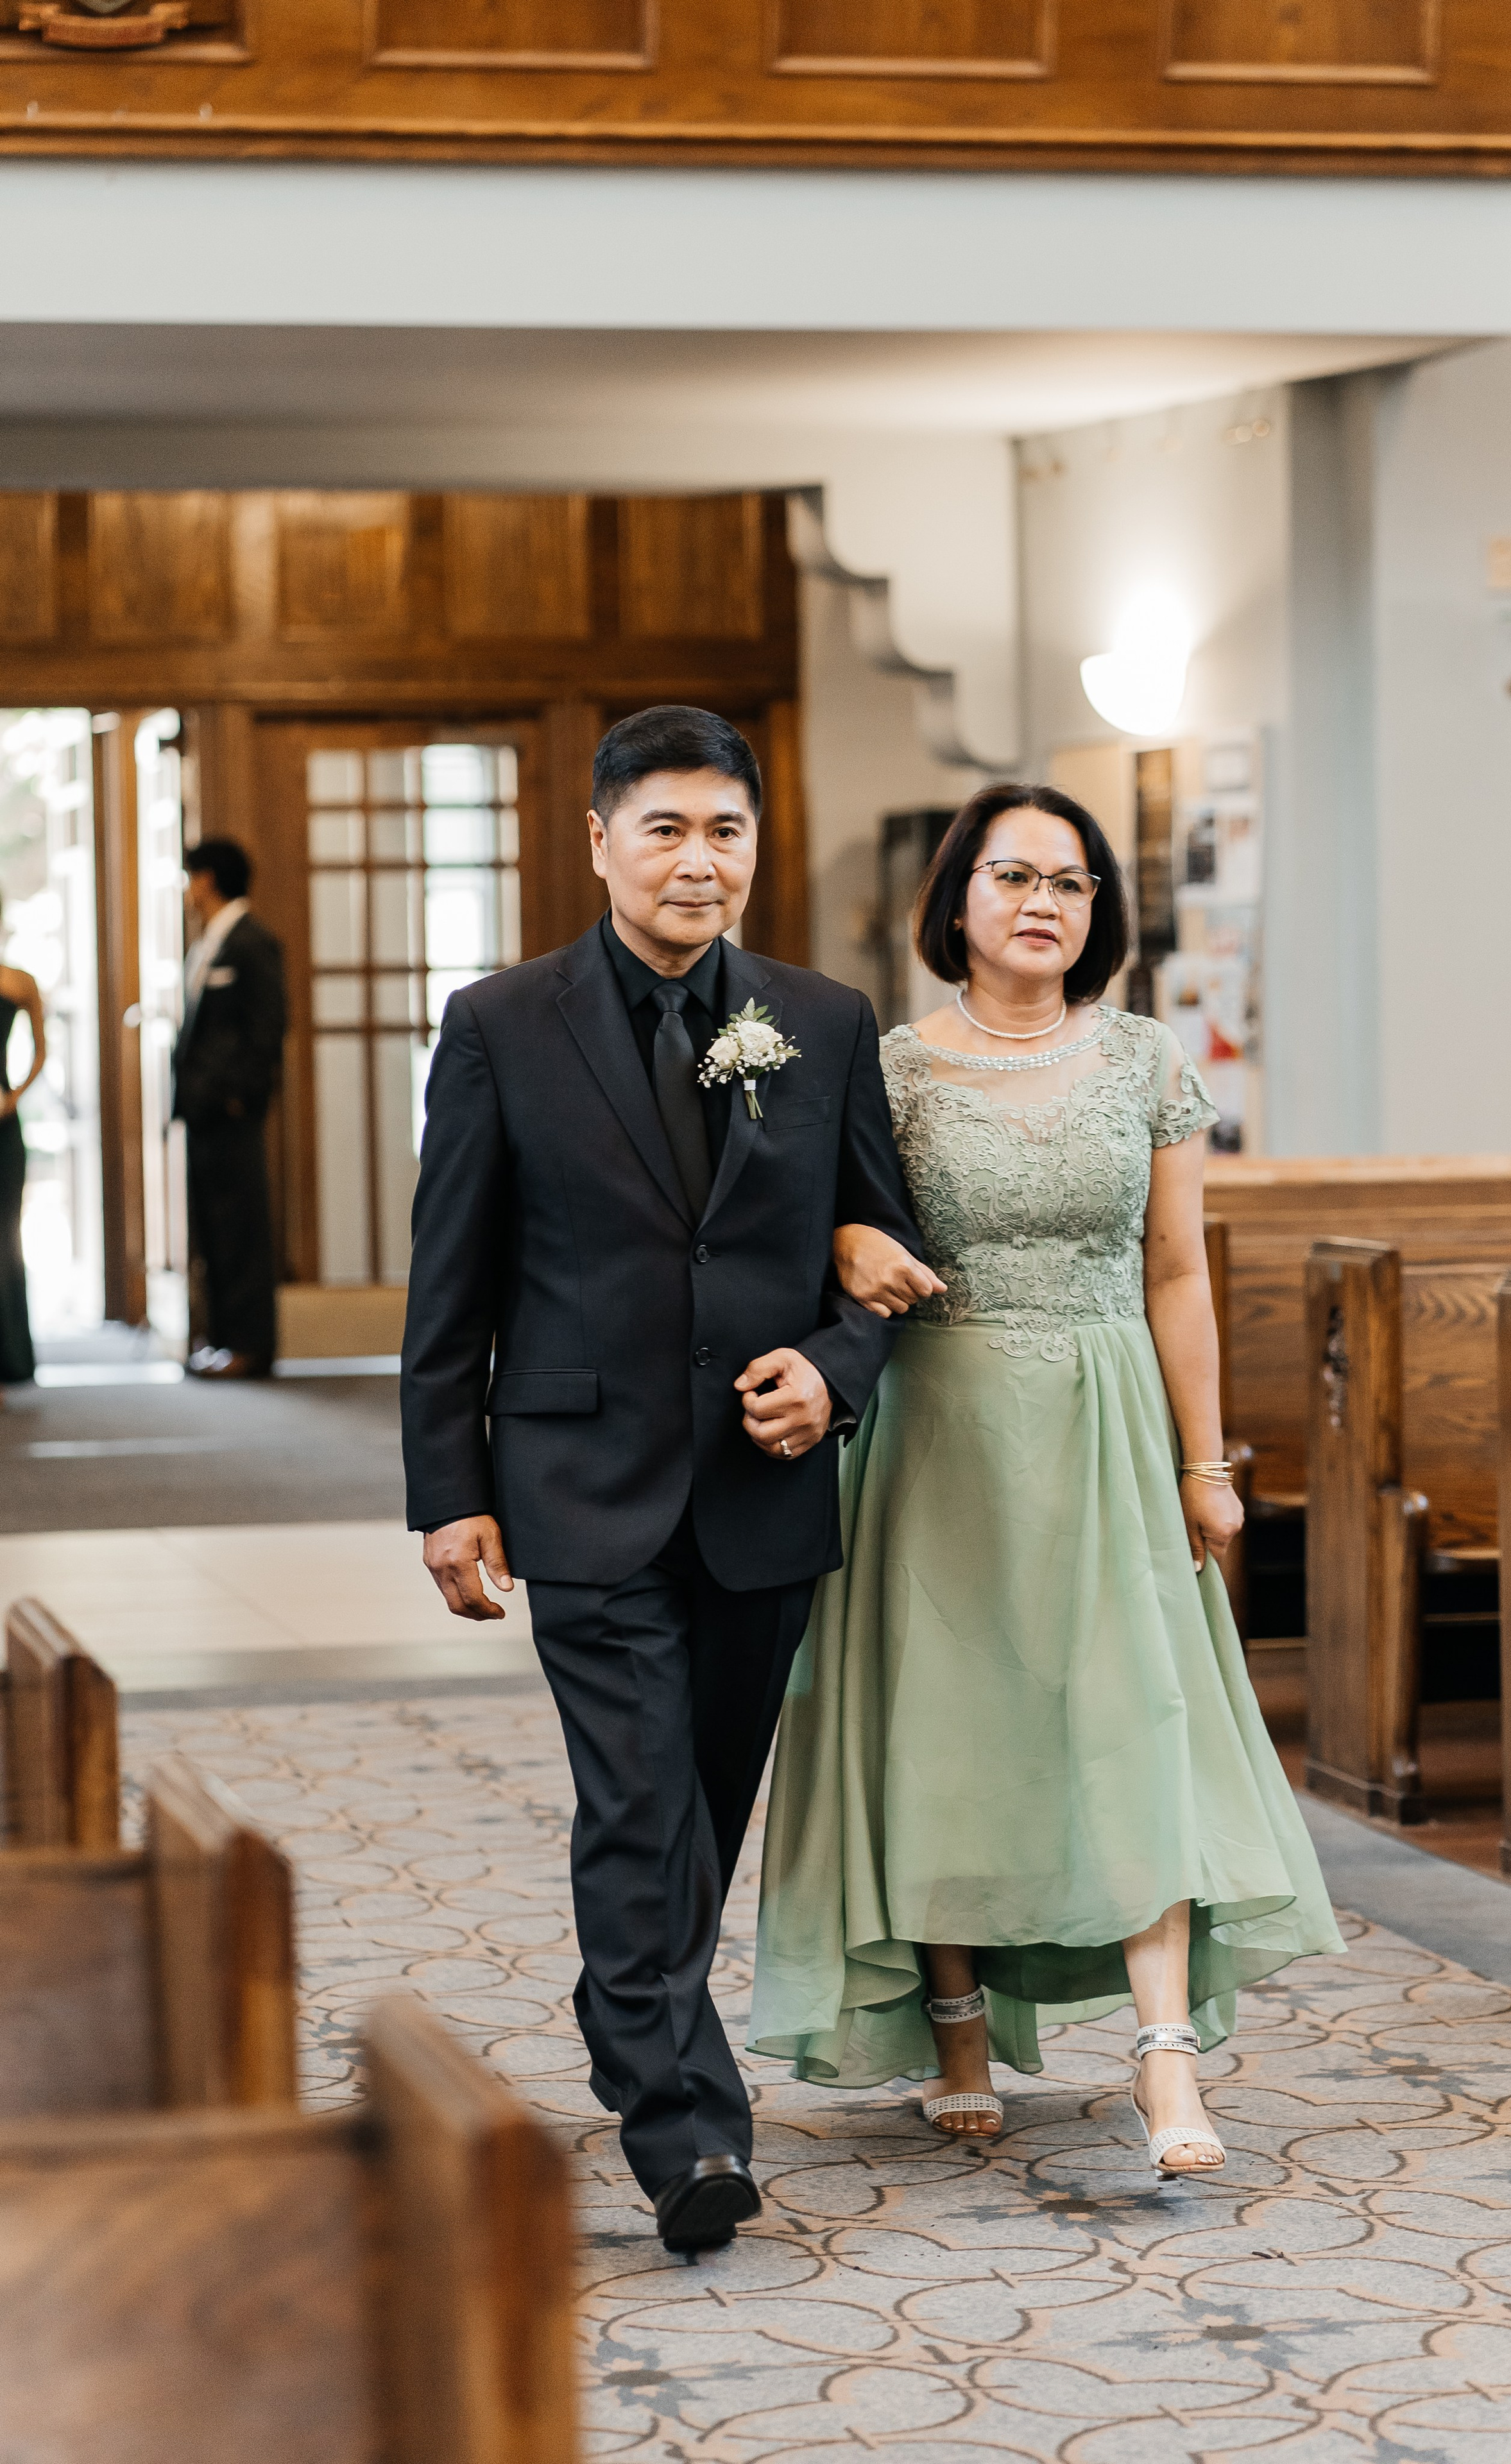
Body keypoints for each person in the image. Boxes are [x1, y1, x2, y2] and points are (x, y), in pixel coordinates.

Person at [749, 782, 1341, 2176]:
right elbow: (818, 1235)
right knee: (950, 1727)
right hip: (936, 1428)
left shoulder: (1145, 1061)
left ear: (1098, 911)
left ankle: (1163, 2059)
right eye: (1010, 876)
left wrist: (1206, 1462)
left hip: (1104, 1419)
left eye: (1068, 883)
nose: (1040, 903)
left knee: (1135, 1723)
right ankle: (956, 2024)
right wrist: (843, 1248)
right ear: (952, 900)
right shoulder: (884, 1069)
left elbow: (1178, 1272)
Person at [401, 704, 923, 2257]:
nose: (699, 862)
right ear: (599, 842)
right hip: (580, 1477)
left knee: (697, 1805)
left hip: (760, 1490)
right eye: (666, 829)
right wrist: (447, 1485)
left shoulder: (823, 1024)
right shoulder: (501, 1022)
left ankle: (627, 2000)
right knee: (637, 1804)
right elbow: (450, 1282)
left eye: (726, 832)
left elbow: (880, 1263)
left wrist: (832, 1371)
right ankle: (686, 2124)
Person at [174, 839, 287, 1381]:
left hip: (232, 1111)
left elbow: (267, 1027)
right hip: (202, 1111)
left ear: (209, 879)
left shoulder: (251, 941)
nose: (187, 890)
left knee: (242, 1226)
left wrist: (242, 1097)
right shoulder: (208, 943)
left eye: (190, 877)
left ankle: (250, 1344)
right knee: (214, 1226)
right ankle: (220, 1339)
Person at [0, 904, 46, 1391]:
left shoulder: (20, 982)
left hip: (3, 1124)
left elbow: (41, 1050)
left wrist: (12, 1099)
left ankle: (12, 1355)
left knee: (5, 1237)